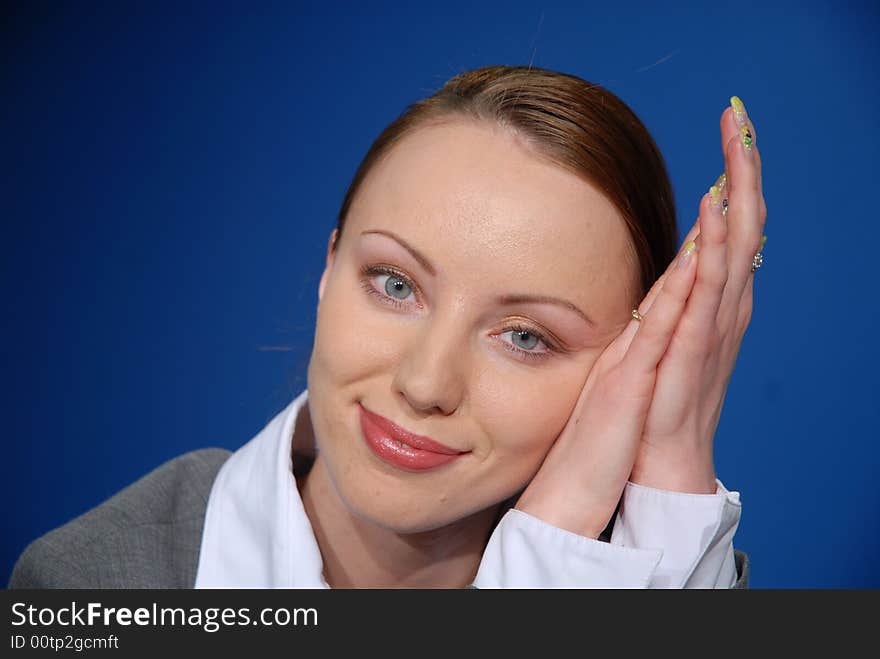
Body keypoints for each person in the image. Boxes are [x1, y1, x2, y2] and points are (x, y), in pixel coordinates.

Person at [9, 65, 764, 589]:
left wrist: (671, 482)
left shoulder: (656, 568)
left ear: (635, 369)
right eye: (395, 283)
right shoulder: (100, 577)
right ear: (329, 267)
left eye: (526, 336)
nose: (424, 382)